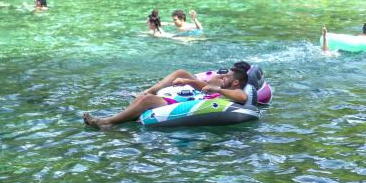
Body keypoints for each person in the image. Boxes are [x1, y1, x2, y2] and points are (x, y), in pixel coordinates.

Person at [84, 64, 254, 130]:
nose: (224, 78)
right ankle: (115, 124)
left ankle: (107, 122)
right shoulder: (221, 88)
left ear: (235, 82)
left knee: (146, 101)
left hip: (192, 106)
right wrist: (186, 81)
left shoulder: (237, 93)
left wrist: (218, 90)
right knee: (143, 100)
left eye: (227, 78)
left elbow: (241, 97)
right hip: (189, 102)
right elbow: (204, 86)